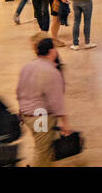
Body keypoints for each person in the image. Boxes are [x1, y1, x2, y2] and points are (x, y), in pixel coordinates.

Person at [15, 37, 71, 167]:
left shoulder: (27, 66)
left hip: (27, 115)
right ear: (52, 51)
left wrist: (21, 109)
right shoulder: (52, 72)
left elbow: (19, 90)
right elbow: (57, 101)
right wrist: (65, 123)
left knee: (44, 147)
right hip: (41, 117)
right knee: (43, 152)